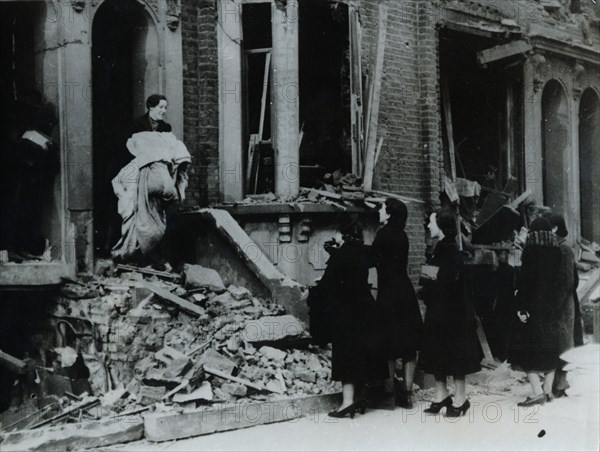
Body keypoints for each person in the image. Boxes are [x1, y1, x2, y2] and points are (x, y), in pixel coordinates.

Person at [317, 214, 387, 418]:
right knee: (362, 354)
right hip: (366, 308)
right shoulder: (364, 252)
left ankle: (347, 402)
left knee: (346, 355)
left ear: (343, 233)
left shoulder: (341, 255)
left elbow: (328, 284)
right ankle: (360, 398)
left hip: (347, 312)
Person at [418, 209, 482, 417]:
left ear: (442, 226)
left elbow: (443, 282)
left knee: (454, 356)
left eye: (432, 222)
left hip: (451, 314)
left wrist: (426, 287)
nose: (428, 226)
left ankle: (460, 399)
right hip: (443, 311)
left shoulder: (450, 250)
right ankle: (441, 395)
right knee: (440, 354)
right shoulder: (442, 248)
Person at [371, 199, 423, 409]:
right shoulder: (402, 235)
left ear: (390, 214)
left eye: (382, 209)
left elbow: (371, 258)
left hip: (388, 296)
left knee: (388, 345)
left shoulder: (383, 234)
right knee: (408, 346)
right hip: (405, 293)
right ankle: (408, 395)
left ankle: (389, 394)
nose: (380, 212)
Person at [509, 217, 563, 406]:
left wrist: (520, 306)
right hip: (551, 307)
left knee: (528, 350)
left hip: (533, 306)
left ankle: (537, 392)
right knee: (550, 349)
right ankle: (548, 391)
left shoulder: (530, 252)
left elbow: (525, 283)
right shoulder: (557, 252)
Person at [542, 211, 584, 398]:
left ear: (555, 228)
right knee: (557, 342)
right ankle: (557, 383)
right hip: (557, 301)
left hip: (563, 303)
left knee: (564, 343)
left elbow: (567, 280)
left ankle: (561, 383)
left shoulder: (564, 249)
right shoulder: (555, 248)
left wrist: (554, 303)